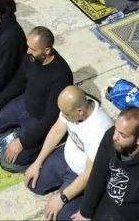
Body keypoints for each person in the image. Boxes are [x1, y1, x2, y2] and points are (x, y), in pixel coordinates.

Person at [0, 27, 74, 171]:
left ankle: (39, 141)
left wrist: (23, 142)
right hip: (25, 103)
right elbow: (18, 82)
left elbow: (51, 118)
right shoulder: (32, 58)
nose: (27, 51)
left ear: (47, 51)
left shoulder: (61, 75)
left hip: (40, 118)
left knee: (17, 159)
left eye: (33, 49)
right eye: (28, 47)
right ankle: (20, 132)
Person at [25, 85, 114, 221]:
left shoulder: (101, 130)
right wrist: (37, 163)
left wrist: (62, 197)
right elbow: (56, 131)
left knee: (60, 216)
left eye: (66, 114)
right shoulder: (72, 106)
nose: (63, 116)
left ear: (80, 112)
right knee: (32, 184)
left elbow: (90, 174)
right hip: (65, 158)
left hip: (82, 175)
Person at [76, 106, 139, 221]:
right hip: (104, 205)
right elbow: (98, 175)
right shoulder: (112, 138)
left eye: (123, 135)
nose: (114, 137)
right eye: (116, 129)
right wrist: (85, 213)